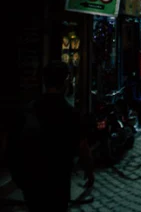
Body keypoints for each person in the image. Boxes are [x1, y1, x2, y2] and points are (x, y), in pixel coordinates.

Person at [7, 60, 94, 212]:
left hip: (32, 184)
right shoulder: (71, 114)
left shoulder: (29, 110)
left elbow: (11, 148)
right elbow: (83, 147)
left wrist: (20, 179)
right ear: (65, 82)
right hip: (58, 184)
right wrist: (89, 171)